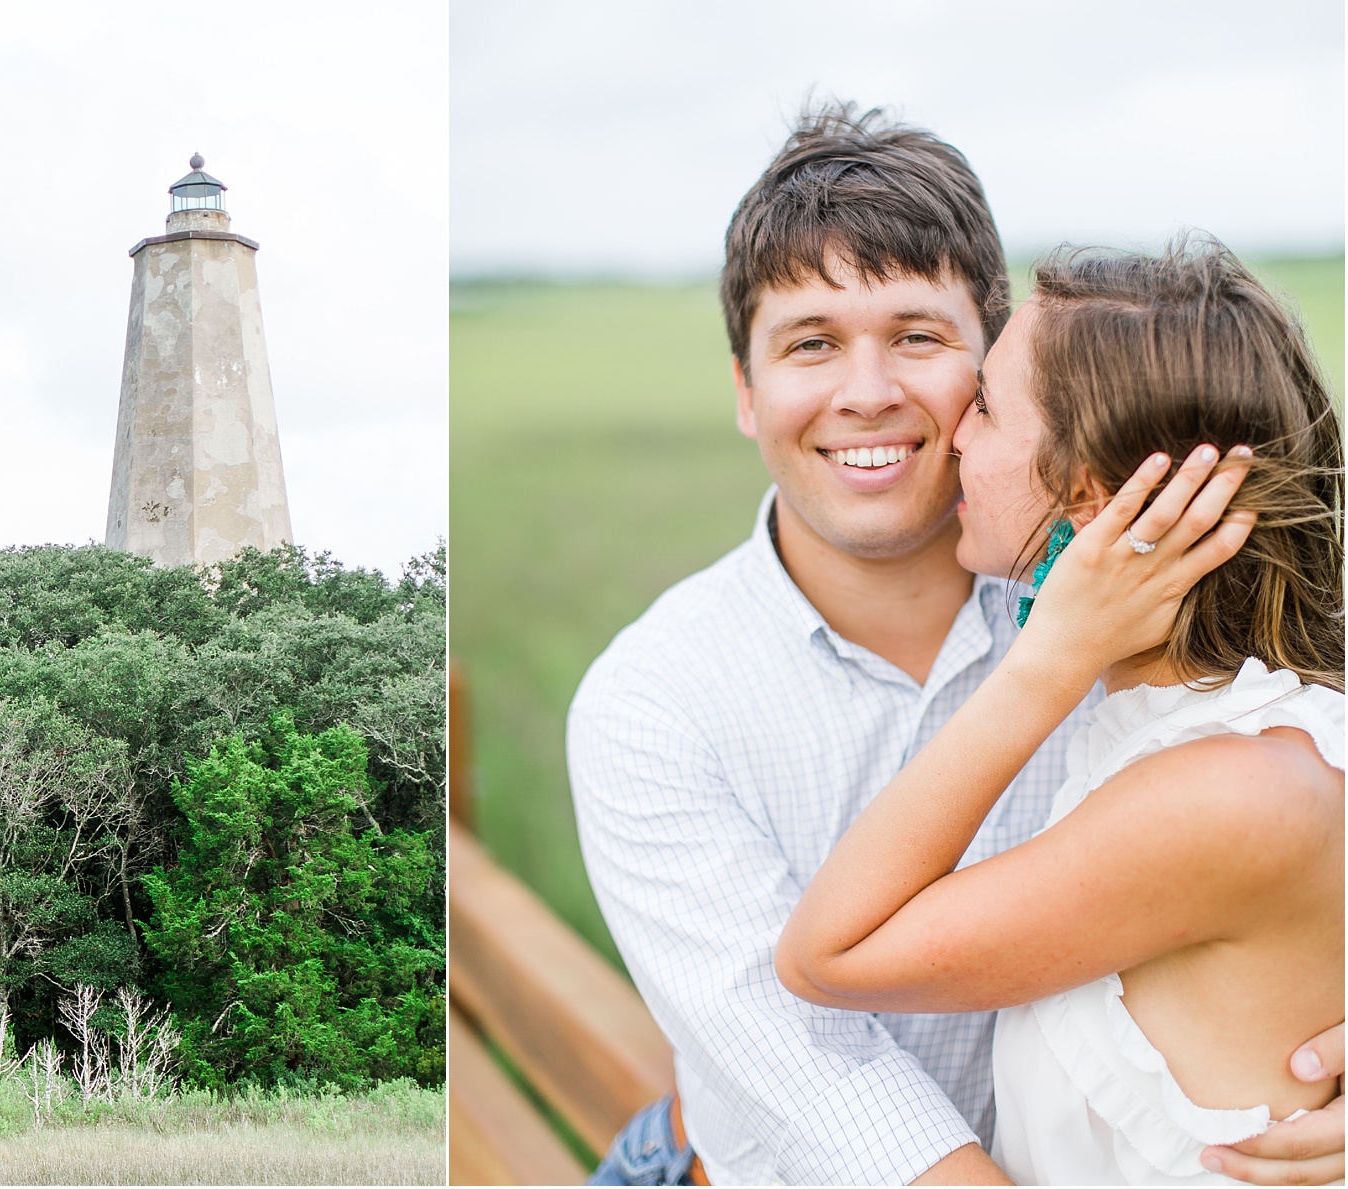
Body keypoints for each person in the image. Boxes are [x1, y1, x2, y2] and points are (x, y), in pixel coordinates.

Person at [567, 103, 1344, 1185]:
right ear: (747, 392)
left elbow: (1303, 807)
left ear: (992, 365)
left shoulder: (1141, 613)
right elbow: (817, 1076)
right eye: (811, 345)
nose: (870, 392)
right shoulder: (651, 700)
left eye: (920, 338)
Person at [775, 241, 1342, 1185]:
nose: (956, 431)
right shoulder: (1223, 735)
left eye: (990, 406)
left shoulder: (1225, 790)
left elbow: (829, 951)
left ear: (1090, 496)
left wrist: (1046, 663)